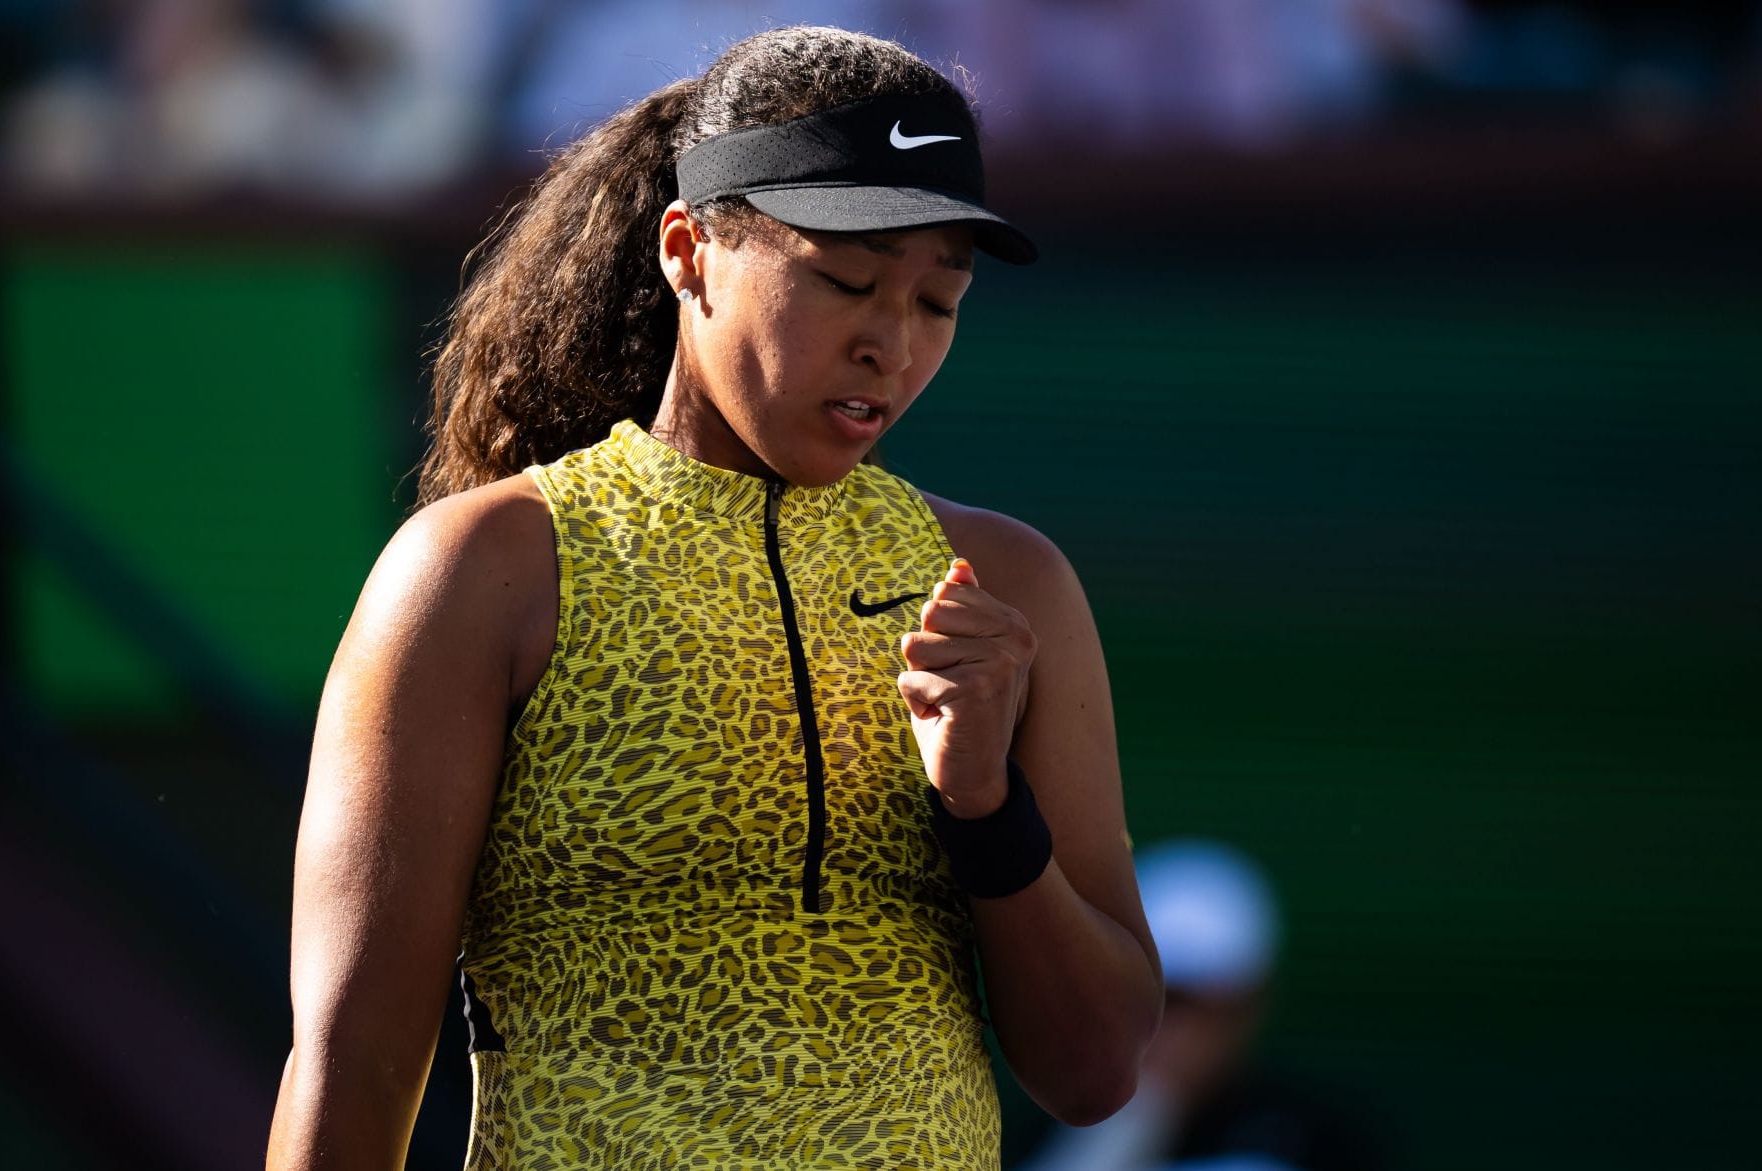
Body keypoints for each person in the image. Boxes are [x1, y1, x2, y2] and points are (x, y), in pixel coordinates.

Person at [266, 24, 1163, 1170]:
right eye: (846, 282)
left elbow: (1097, 1072)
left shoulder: (1008, 585)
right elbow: (356, 1059)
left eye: (939, 301)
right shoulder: (486, 569)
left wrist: (986, 809)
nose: (890, 342)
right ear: (689, 249)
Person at [1019, 839, 1387, 1171]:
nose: (1167, 1027)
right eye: (1155, 999)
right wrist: (1134, 1123)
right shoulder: (1054, 1119)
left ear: (1249, 1008)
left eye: (1192, 1006)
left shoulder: (1318, 1135)